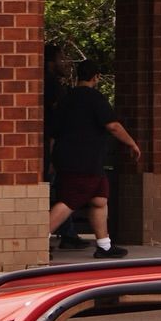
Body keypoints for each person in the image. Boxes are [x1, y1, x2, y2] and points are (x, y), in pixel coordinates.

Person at [47, 60, 141, 259]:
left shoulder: (66, 98)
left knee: (99, 199)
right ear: (96, 77)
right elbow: (113, 126)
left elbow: (53, 134)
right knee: (70, 200)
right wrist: (132, 143)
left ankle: (104, 245)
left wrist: (52, 159)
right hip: (84, 160)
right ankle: (36, 242)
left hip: (72, 158)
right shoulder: (94, 98)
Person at [44, 44, 83, 248]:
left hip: (51, 142)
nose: (65, 63)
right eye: (61, 58)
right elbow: (58, 119)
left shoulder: (49, 83)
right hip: (50, 144)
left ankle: (67, 233)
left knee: (58, 189)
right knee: (53, 188)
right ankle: (50, 235)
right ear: (51, 61)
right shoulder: (52, 86)